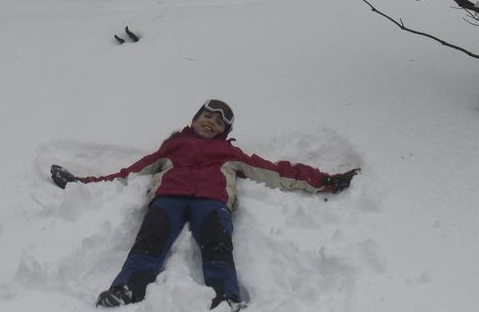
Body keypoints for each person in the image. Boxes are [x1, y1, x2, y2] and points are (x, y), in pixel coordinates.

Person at [50, 99, 359, 309]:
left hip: (211, 204)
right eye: (206, 116)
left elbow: (276, 172)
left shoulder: (230, 154)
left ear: (225, 132)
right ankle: (127, 287)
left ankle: (226, 296)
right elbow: (131, 172)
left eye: (218, 122)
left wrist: (325, 180)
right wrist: (81, 184)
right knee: (149, 241)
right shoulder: (174, 147)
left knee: (217, 246)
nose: (210, 123)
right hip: (168, 201)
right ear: (194, 119)